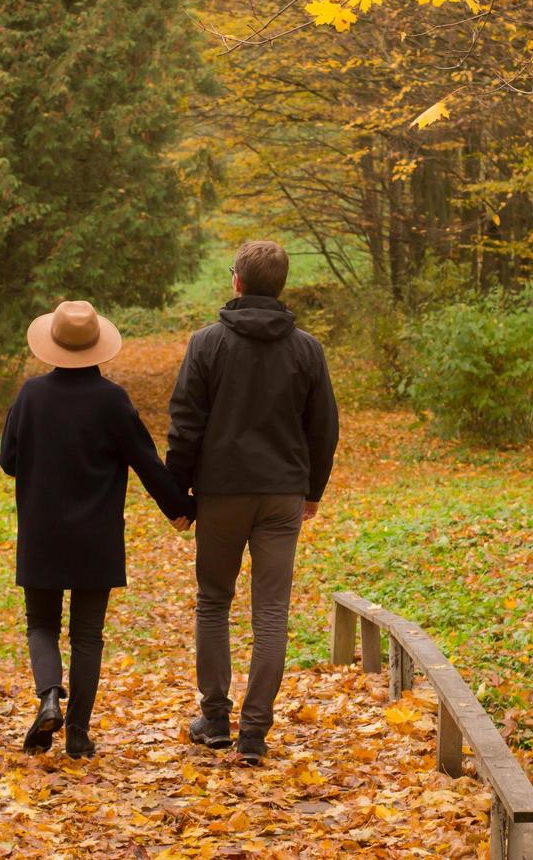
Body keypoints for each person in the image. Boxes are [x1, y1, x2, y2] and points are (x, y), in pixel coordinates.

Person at [167, 240, 339, 765]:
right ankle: (255, 731)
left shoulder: (206, 344)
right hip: (282, 494)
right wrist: (312, 491)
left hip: (221, 492)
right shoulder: (307, 349)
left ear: (236, 281)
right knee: (270, 612)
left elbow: (185, 425)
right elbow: (324, 428)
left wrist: (179, 495)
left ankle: (215, 717)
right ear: (280, 285)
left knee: (214, 600)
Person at [0, 299, 192, 758]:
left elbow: (8, 461)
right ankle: (79, 734)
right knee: (88, 635)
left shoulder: (30, 395)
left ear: (52, 345)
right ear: (97, 348)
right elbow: (146, 461)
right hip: (96, 536)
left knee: (41, 624)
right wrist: (179, 508)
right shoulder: (112, 400)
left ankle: (48, 695)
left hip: (42, 532)